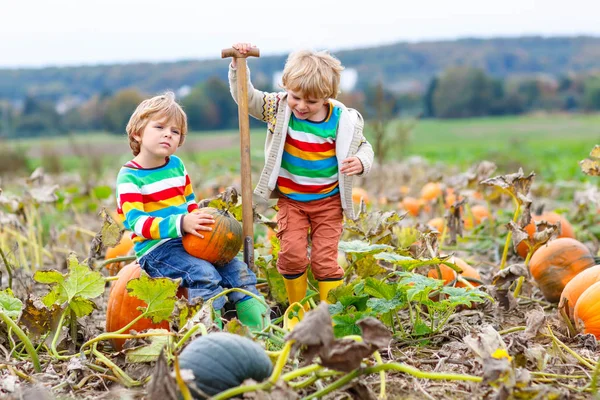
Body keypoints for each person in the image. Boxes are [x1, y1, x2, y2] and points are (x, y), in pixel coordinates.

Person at [227, 44, 374, 329]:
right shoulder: (279, 108)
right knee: (292, 255)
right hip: (292, 201)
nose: (302, 106)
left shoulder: (342, 120)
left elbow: (364, 146)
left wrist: (360, 161)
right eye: (296, 97)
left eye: (312, 101)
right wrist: (238, 68)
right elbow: (247, 99)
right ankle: (295, 310)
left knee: (324, 261)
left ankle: (327, 315)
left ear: (326, 97)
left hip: (328, 203)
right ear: (286, 88)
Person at [115, 92, 269, 331]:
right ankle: (208, 331)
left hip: (188, 240)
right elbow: (137, 223)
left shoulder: (176, 165)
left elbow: (190, 204)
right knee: (204, 273)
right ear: (137, 132)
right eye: (160, 127)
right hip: (157, 249)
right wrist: (181, 223)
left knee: (238, 269)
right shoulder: (130, 176)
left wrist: (202, 226)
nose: (168, 134)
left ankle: (262, 329)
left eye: (175, 131)